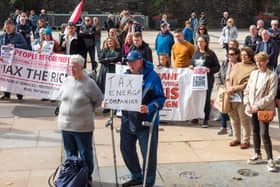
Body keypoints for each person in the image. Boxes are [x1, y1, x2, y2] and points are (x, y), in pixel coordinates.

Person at [116, 50, 165, 187]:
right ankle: (136, 176)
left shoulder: (152, 76)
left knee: (148, 154)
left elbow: (160, 98)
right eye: (128, 62)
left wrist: (149, 107)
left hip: (146, 121)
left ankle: (148, 182)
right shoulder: (125, 76)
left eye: (133, 61)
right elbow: (117, 95)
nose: (130, 64)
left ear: (140, 61)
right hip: (128, 120)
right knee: (126, 149)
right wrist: (108, 101)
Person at [58, 54, 103, 186]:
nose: (72, 69)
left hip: (82, 126)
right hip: (65, 125)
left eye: (75, 67)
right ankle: (73, 177)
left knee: (85, 153)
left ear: (82, 67)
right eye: (70, 66)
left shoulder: (89, 83)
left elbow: (99, 100)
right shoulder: (66, 80)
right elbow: (61, 97)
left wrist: (87, 111)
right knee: (70, 154)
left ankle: (87, 177)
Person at [244, 52, 277, 172]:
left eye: (261, 61)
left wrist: (257, 106)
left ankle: (270, 159)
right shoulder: (254, 73)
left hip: (264, 108)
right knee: (255, 131)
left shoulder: (272, 75)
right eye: (257, 61)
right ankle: (257, 154)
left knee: (264, 133)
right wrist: (247, 103)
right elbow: (247, 90)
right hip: (251, 107)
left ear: (267, 61)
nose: (259, 63)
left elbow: (271, 95)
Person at [225, 47, 257, 149]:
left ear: (250, 56)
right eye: (242, 55)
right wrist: (228, 87)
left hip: (243, 97)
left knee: (244, 120)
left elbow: (247, 84)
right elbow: (228, 77)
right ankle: (236, 138)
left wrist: (233, 88)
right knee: (233, 118)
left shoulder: (254, 68)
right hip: (231, 96)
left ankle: (245, 140)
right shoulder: (237, 65)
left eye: (246, 55)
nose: (243, 57)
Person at [190, 35, 220, 128]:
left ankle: (206, 119)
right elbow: (192, 63)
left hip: (207, 80)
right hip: (196, 80)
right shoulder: (196, 53)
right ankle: (196, 116)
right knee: (196, 98)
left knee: (206, 99)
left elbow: (217, 67)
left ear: (206, 43)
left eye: (202, 41)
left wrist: (209, 69)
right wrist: (190, 66)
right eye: (198, 42)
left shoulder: (211, 54)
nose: (200, 43)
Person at [0, 20, 28, 100]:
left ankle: (19, 94)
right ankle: (6, 94)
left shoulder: (18, 35)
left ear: (13, 27)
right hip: (5, 61)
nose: (7, 29)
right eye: (6, 28)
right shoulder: (2, 36)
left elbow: (25, 46)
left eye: (9, 27)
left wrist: (15, 45)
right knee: (6, 78)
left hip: (16, 62)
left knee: (17, 78)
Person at [215, 48, 240, 135]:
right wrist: (220, 85)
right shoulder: (225, 64)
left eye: (232, 54)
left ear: (237, 55)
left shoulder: (239, 66)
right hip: (224, 90)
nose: (229, 56)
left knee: (233, 111)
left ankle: (232, 128)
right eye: (228, 54)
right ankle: (223, 127)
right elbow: (218, 75)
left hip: (234, 91)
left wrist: (234, 88)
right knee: (223, 108)